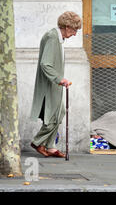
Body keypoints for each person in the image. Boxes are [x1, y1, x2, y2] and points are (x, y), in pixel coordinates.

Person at [29, 11, 82, 158]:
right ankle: (38, 141)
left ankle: (50, 146)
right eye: (74, 30)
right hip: (50, 84)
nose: (75, 34)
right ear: (66, 26)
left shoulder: (57, 37)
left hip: (53, 84)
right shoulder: (52, 37)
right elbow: (45, 63)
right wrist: (59, 78)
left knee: (59, 113)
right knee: (53, 115)